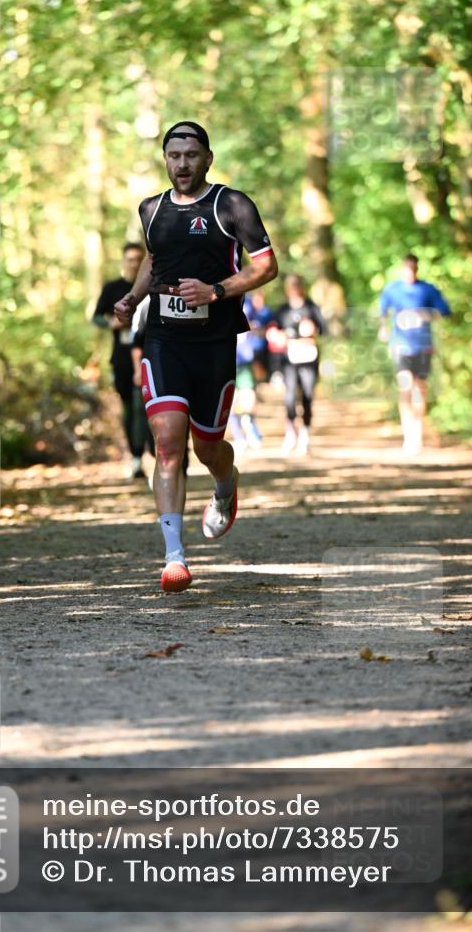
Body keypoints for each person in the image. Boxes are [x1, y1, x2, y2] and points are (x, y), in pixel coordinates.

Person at [114, 121, 278, 593]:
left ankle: (226, 484)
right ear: (165, 160)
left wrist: (217, 290)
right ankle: (174, 557)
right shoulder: (151, 209)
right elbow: (153, 258)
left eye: (191, 155)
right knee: (166, 441)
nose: (182, 163)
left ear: (207, 158)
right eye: (174, 155)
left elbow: (266, 265)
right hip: (163, 340)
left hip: (215, 343)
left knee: (207, 447)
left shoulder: (231, 205)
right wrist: (132, 298)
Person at [379, 253, 451, 453]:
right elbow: (382, 312)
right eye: (406, 270)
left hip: (422, 346)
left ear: (417, 270)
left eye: (413, 270)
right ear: (402, 270)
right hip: (400, 346)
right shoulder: (392, 289)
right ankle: (408, 434)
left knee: (420, 389)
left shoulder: (427, 290)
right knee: (405, 386)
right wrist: (383, 328)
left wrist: (425, 314)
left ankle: (416, 429)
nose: (409, 274)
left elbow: (444, 311)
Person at [93, 242, 150, 478]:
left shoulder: (151, 286)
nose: (134, 263)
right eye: (130, 259)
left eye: (139, 259)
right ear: (124, 261)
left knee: (141, 407)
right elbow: (96, 317)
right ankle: (135, 455)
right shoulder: (113, 288)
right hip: (121, 357)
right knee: (128, 408)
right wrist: (111, 323)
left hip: (148, 354)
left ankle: (143, 455)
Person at [272, 274, 325, 456]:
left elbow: (323, 329)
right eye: (292, 286)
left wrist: (313, 329)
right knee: (290, 396)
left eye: (297, 286)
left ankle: (305, 434)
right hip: (289, 360)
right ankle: (291, 433)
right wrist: (278, 337)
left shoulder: (311, 307)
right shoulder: (282, 310)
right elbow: (273, 331)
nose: (295, 289)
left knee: (308, 396)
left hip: (309, 359)